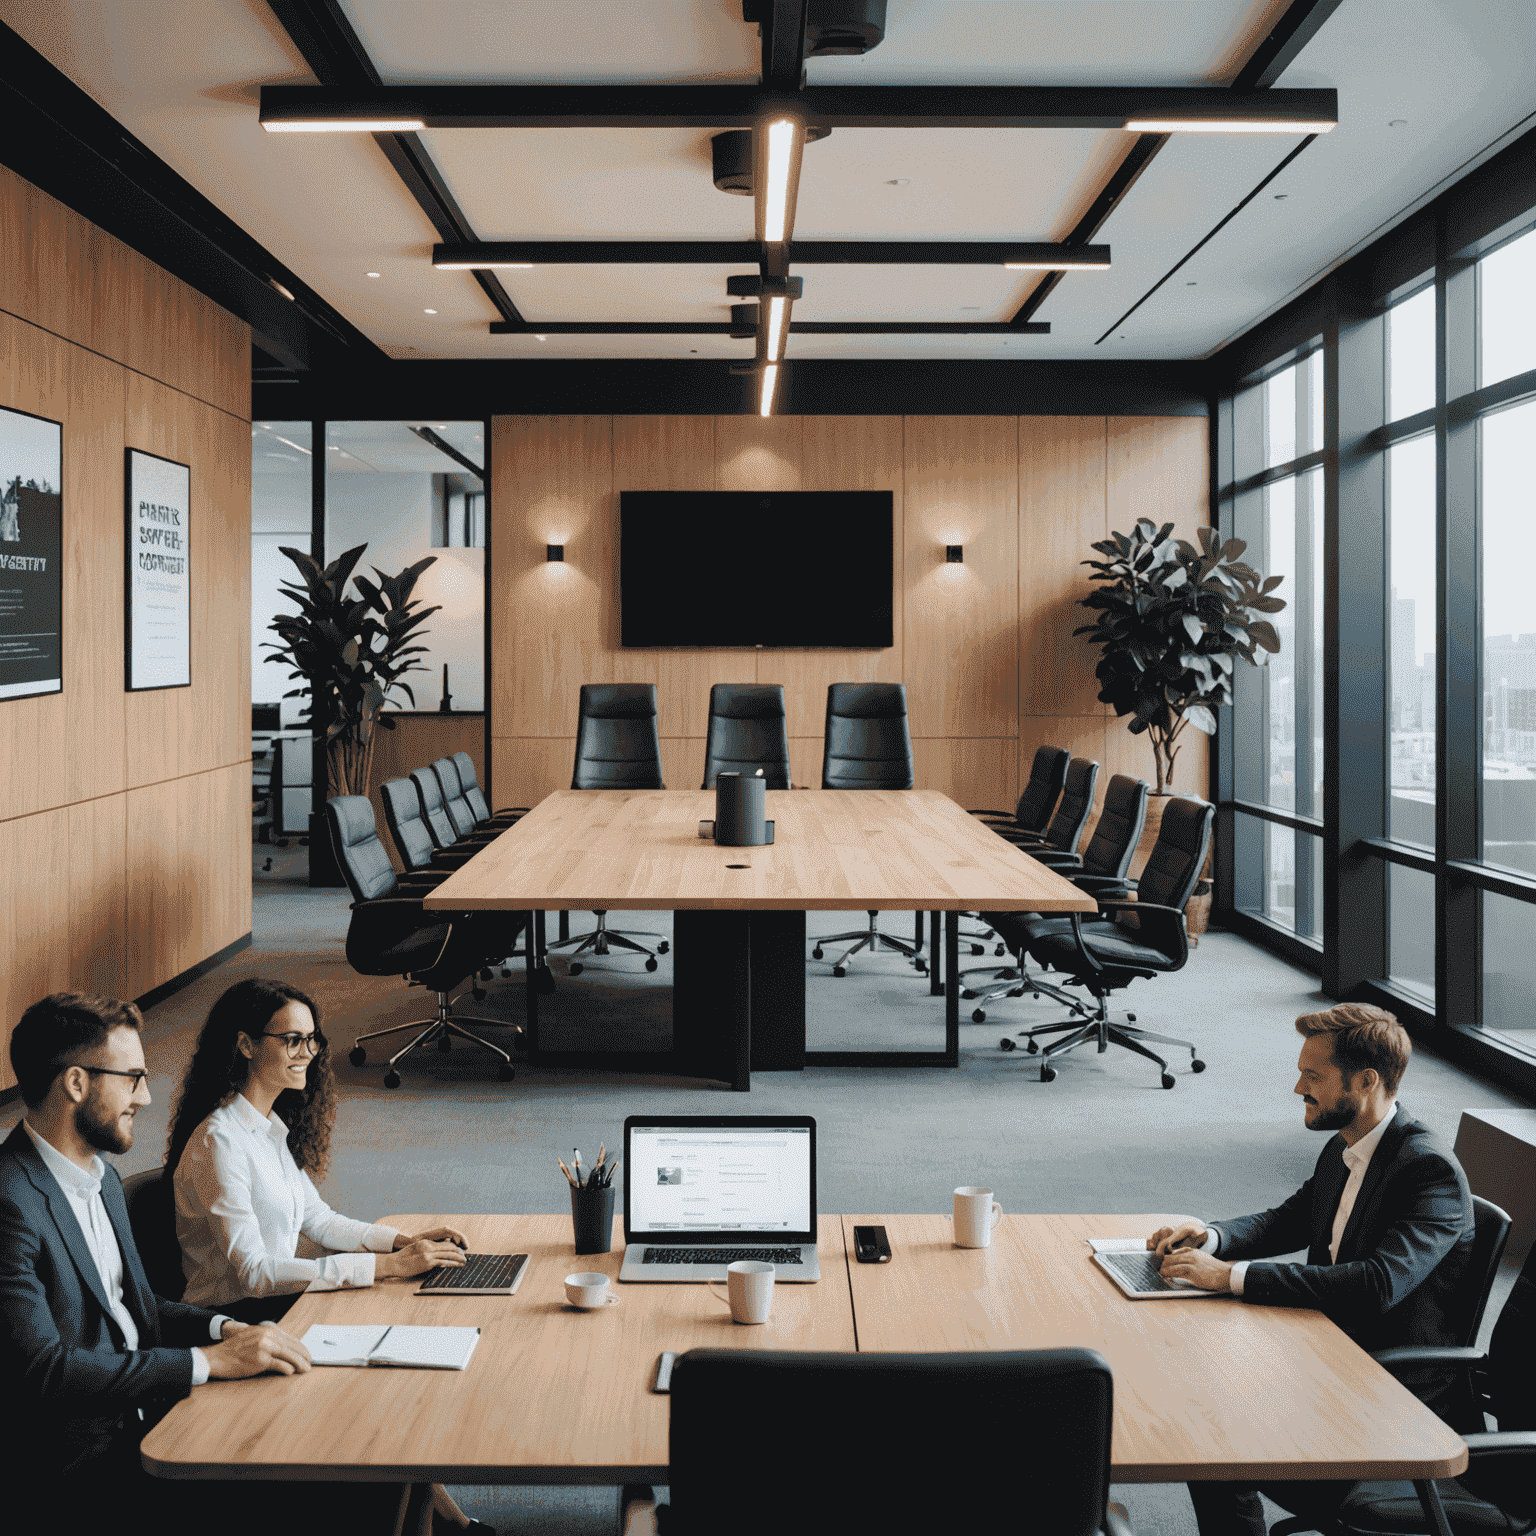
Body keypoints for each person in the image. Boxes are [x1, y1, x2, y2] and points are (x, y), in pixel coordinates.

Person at [1146, 1002, 1476, 1536]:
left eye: (1313, 1075)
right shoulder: (1346, 1146)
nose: (1298, 1086)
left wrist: (1228, 1276)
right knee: (1197, 1391)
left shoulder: (1427, 1171)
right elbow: (1292, 1218)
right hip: (1328, 1353)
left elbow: (1377, 1285)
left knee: (1210, 1435)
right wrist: (1213, 1236)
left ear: (1365, 1081)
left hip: (1387, 1397)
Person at [0, 992, 329, 1526]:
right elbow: (46, 1372)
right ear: (77, 1083)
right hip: (82, 1468)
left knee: (337, 1426)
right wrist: (205, 1363)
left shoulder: (101, 1177)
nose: (147, 1098)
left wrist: (225, 1330)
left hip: (149, 1412)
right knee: (323, 1483)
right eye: (132, 1078)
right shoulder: (11, 1202)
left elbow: (136, 1306)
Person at [166, 978, 466, 1319]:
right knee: (390, 1306)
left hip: (273, 1301)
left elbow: (320, 1221)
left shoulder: (269, 1127)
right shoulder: (219, 1143)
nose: (308, 1052)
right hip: (234, 1317)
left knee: (407, 1299)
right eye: (293, 1040)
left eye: (312, 1040)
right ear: (246, 1045)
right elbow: (254, 1275)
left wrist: (403, 1242)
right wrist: (386, 1265)